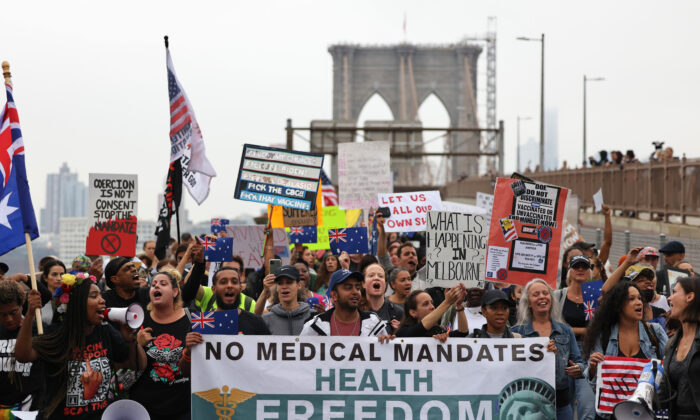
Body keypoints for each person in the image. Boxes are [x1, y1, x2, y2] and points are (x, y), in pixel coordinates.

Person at [15, 273, 143, 419]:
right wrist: (30, 313)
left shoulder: (106, 331)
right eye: (94, 296)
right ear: (77, 302)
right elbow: (22, 355)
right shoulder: (55, 333)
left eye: (101, 295)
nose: (102, 301)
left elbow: (134, 365)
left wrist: (131, 339)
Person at [583, 281, 668, 419]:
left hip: (643, 414)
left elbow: (669, 367)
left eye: (639, 298)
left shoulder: (655, 332)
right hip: (609, 415)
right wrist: (593, 368)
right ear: (618, 305)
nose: (639, 303)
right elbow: (593, 384)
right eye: (631, 299)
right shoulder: (603, 335)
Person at [511, 279, 584, 420]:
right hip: (529, 407)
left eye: (545, 293)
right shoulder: (516, 333)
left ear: (551, 299)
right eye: (536, 294)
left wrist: (578, 368)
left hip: (561, 406)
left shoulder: (566, 331)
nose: (542, 297)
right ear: (529, 303)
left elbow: (579, 362)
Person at [552, 255, 596, 420]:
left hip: (587, 353)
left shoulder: (593, 294)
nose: (580, 270)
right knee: (565, 405)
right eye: (576, 266)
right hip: (563, 353)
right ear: (569, 271)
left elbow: (597, 328)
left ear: (589, 272)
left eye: (584, 267)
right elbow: (554, 326)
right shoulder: (558, 296)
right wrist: (583, 330)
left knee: (588, 408)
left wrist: (570, 329)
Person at [185, 262, 270, 335]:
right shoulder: (200, 324)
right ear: (214, 289)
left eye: (234, 282)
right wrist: (188, 351)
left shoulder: (256, 323)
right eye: (223, 282)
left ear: (241, 288)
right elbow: (189, 353)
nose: (229, 285)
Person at [300, 269, 388, 337]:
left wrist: (386, 344)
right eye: (348, 288)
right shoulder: (314, 327)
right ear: (334, 295)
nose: (355, 292)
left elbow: (387, 357)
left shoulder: (374, 323)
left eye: (357, 288)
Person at [658, 277, 700, 419]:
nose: (669, 298)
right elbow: (665, 392)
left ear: (690, 296)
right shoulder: (671, 344)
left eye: (674, 292)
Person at [0, 281, 44, 414]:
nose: (9, 319)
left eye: (13, 312)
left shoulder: (38, 330)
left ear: (21, 306)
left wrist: (30, 315)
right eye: (2, 314)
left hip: (31, 408)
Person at [181, 243, 257, 314]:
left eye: (235, 271)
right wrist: (202, 259)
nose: (230, 273)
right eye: (226, 269)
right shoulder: (209, 294)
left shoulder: (249, 303)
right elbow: (189, 285)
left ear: (242, 275)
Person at [395, 286, 468, 341]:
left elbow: (463, 332)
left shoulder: (438, 331)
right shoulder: (403, 333)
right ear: (413, 312)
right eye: (425, 304)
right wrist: (447, 302)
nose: (432, 307)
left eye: (432, 303)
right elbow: (421, 327)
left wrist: (459, 305)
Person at [262, 266, 312, 335]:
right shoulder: (266, 320)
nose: (284, 286)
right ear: (276, 288)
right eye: (280, 283)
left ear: (299, 285)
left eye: (289, 282)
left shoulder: (313, 317)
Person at [360, 263, 403, 333]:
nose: (376, 278)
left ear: (385, 285)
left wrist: (400, 332)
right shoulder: (355, 312)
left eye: (380, 276)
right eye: (371, 275)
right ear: (363, 284)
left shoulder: (397, 312)